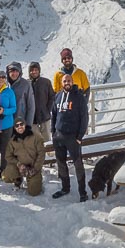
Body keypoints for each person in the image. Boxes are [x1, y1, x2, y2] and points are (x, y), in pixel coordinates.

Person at [51, 73, 89, 202]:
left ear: (72, 81)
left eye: (69, 80)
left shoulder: (79, 97)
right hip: (59, 136)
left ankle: (82, 192)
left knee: (78, 164)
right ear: (61, 83)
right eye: (64, 81)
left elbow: (84, 118)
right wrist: (53, 132)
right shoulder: (58, 96)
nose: (67, 82)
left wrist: (80, 136)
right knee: (61, 163)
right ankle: (65, 188)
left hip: (73, 137)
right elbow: (54, 115)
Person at [1, 118, 45, 196]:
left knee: (34, 192)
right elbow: (8, 156)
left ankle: (32, 180)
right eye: (17, 125)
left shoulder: (36, 136)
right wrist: (19, 164)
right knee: (6, 176)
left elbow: (41, 154)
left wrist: (35, 168)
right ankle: (18, 180)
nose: (19, 127)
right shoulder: (12, 140)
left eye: (21, 124)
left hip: (33, 167)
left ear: (25, 125)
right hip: (20, 167)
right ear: (14, 128)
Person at [0, 71, 16, 180]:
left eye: (3, 77)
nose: (0, 79)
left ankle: (4, 169)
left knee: (5, 149)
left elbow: (14, 108)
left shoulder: (10, 92)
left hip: (7, 125)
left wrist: (4, 111)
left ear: (5, 79)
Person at [29, 61, 55, 143]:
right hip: (32, 119)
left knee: (47, 140)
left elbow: (52, 97)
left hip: (45, 117)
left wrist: (47, 110)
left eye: (36, 70)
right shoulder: (26, 83)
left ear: (39, 71)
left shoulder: (46, 82)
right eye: (32, 70)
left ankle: (50, 156)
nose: (34, 72)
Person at [7, 62, 35, 131]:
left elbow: (31, 106)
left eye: (17, 71)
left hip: (21, 123)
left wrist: (28, 125)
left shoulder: (26, 84)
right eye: (12, 71)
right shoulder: (3, 84)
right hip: (6, 124)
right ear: (8, 72)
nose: (14, 73)